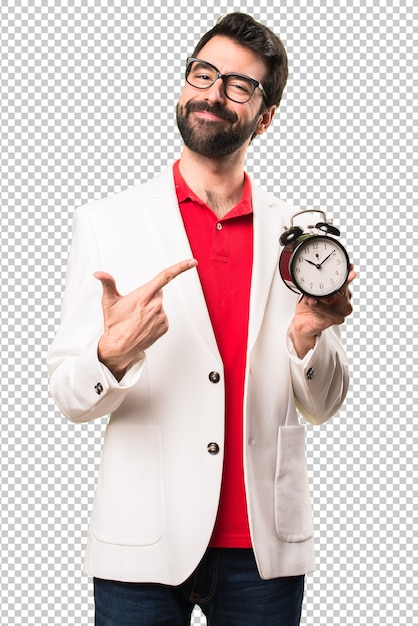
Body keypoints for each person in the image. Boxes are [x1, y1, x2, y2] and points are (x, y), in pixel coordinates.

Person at [48, 12, 355, 626]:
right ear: (185, 84)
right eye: (203, 73)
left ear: (265, 117)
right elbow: (68, 397)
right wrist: (110, 356)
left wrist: (305, 342)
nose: (213, 93)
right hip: (143, 541)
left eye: (239, 85)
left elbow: (323, 406)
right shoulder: (108, 223)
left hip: (261, 548)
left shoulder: (300, 239)